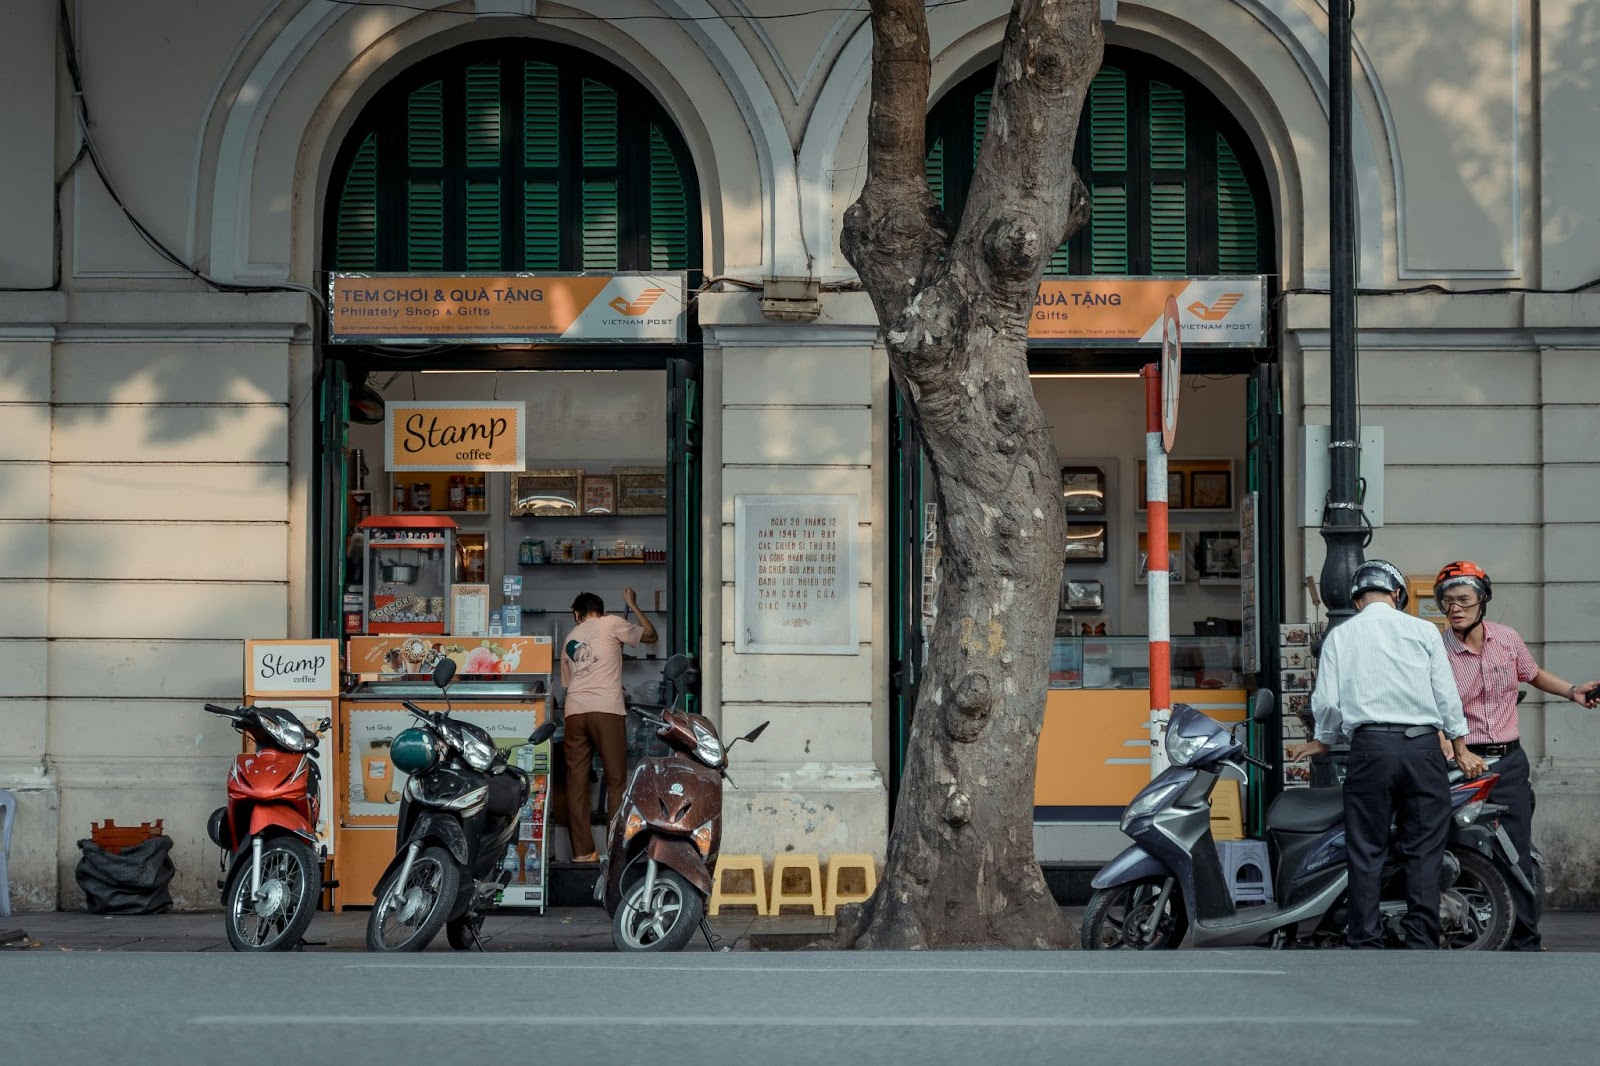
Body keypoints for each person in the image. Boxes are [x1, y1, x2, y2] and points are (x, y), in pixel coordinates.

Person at [1287, 559, 1472, 949]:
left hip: (1369, 749)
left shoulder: (1341, 635)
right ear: (1397, 594)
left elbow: (1328, 701)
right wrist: (1458, 744)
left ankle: (1365, 940)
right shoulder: (1424, 630)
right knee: (1423, 848)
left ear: (1356, 600)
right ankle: (1422, 939)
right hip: (1422, 750)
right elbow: (1446, 694)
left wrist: (1324, 738)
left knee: (1366, 848)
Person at [1431, 560, 1600, 951]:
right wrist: (1446, 745)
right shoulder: (1436, 650)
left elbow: (1532, 673)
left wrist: (1572, 690)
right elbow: (1429, 704)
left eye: (1463, 600)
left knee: (1516, 849)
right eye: (1447, 602)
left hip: (1508, 762)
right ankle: (1459, 927)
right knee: (1457, 843)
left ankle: (1523, 937)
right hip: (1461, 764)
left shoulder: (1507, 639)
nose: (1454, 609)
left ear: (1483, 600)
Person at [559, 588, 657, 862]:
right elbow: (651, 635)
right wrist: (633, 605)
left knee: (576, 783)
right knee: (615, 781)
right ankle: (615, 850)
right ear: (599, 611)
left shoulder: (570, 638)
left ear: (576, 614)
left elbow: (568, 685)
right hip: (607, 710)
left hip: (575, 713)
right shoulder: (612, 623)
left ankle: (583, 853)